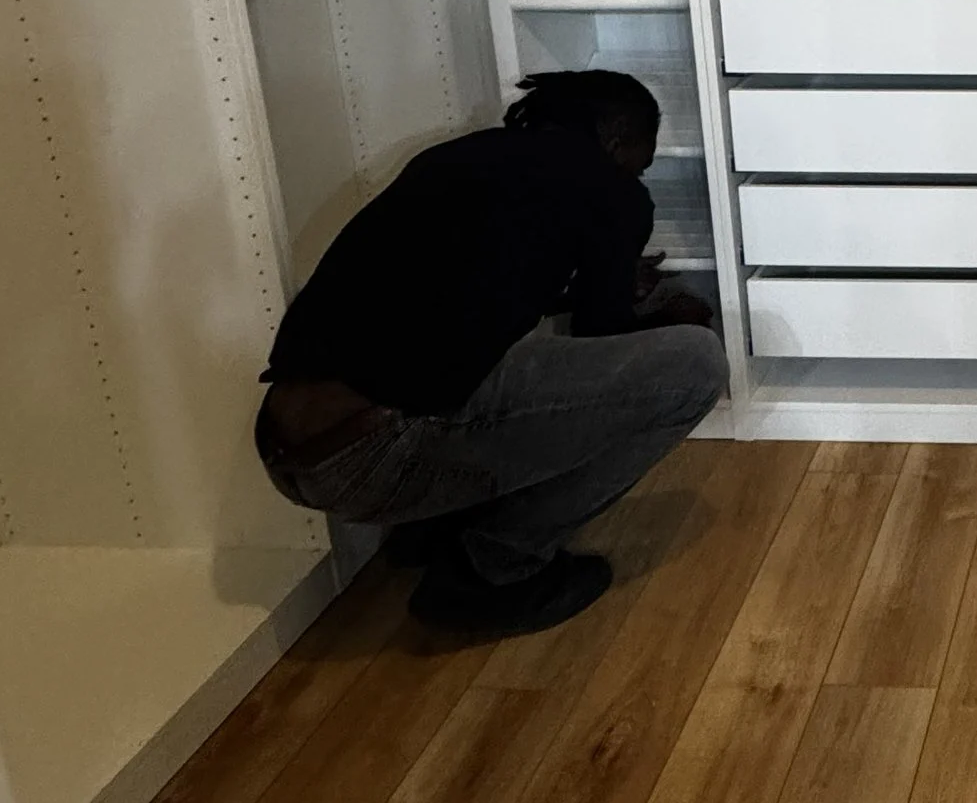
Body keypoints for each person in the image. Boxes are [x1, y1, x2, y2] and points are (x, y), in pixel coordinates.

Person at [255, 69, 727, 636]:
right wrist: (658, 313)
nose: (638, 174)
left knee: (494, 363)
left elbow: (466, 299)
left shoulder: (458, 160)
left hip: (289, 448)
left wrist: (594, 285)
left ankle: (439, 524)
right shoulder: (612, 190)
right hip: (379, 450)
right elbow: (603, 338)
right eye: (640, 161)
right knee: (695, 366)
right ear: (617, 140)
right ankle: (497, 569)